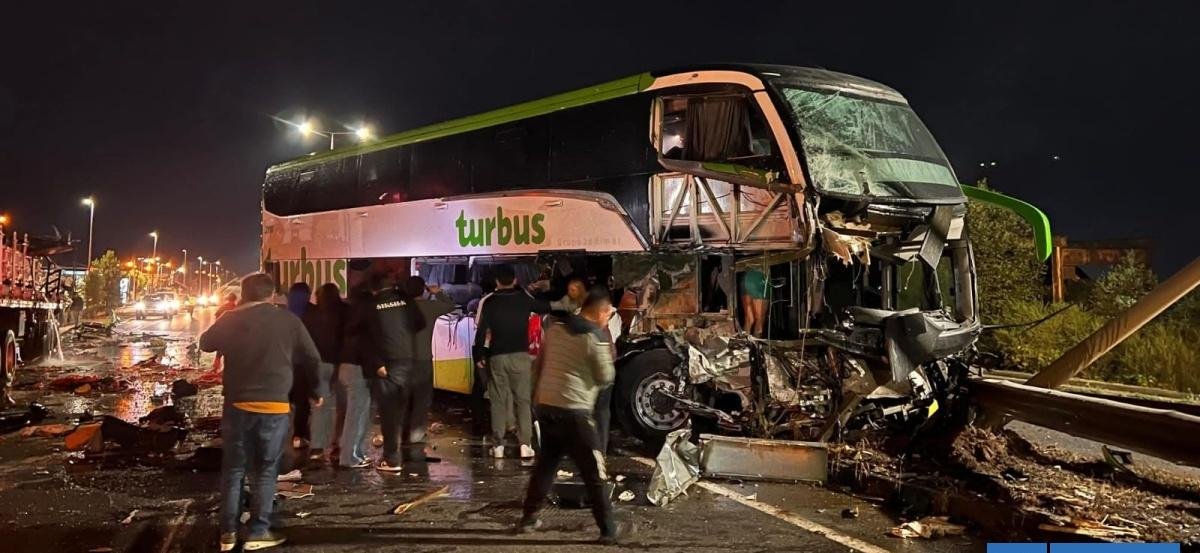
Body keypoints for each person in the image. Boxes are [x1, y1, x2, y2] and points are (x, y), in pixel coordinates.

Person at [199, 273, 321, 551]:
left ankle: (227, 534)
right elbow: (311, 357)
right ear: (273, 294)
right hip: (274, 406)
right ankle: (259, 531)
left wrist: (230, 318)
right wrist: (317, 390)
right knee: (265, 472)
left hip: (237, 406)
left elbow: (205, 343)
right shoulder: (288, 320)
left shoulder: (231, 318)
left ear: (244, 294)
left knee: (233, 471)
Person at [518, 285, 628, 544]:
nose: (607, 318)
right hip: (575, 412)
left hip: (547, 407)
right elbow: (606, 377)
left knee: (546, 466)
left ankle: (528, 519)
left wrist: (536, 398)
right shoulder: (593, 338)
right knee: (594, 472)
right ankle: (608, 530)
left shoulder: (555, 331)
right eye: (607, 314)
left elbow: (540, 365)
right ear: (600, 312)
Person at [473, 264, 551, 458]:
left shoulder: (490, 302)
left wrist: (480, 355)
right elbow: (544, 307)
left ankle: (498, 445)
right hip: (520, 356)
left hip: (497, 356)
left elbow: (481, 330)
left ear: (497, 281)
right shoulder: (523, 299)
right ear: (515, 280)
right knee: (523, 400)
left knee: (498, 401)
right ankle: (525, 444)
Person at [362, 272, 427, 472]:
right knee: (402, 408)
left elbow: (368, 338)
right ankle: (403, 452)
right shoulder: (406, 301)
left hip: (387, 365)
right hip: (408, 361)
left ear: (374, 289)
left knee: (389, 414)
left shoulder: (372, 306)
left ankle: (391, 458)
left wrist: (377, 363)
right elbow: (420, 323)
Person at [403, 276, 455, 462]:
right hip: (423, 360)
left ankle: (403, 432)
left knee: (404, 398)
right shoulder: (430, 307)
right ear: (423, 290)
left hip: (401, 361)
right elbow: (450, 306)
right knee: (422, 398)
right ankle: (416, 434)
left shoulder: (400, 308)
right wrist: (438, 293)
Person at [302, 283, 345, 463]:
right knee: (342, 408)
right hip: (341, 364)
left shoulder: (310, 314)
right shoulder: (345, 313)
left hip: (318, 364)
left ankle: (317, 448)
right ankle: (337, 445)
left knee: (320, 406)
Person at [336, 281, 376, 468]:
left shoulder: (348, 317)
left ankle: (356, 453)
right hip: (357, 370)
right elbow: (367, 350)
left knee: (358, 413)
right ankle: (348, 457)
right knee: (356, 414)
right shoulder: (365, 325)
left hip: (345, 367)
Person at [286, 282, 315, 448]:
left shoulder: (283, 314)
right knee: (302, 401)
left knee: (287, 399)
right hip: (303, 364)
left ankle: (283, 432)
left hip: (285, 363)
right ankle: (299, 435)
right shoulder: (312, 312)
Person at [741, 267, 768, 337]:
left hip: (748, 276)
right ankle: (754, 344)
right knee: (759, 319)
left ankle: (745, 344)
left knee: (750, 319)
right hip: (760, 276)